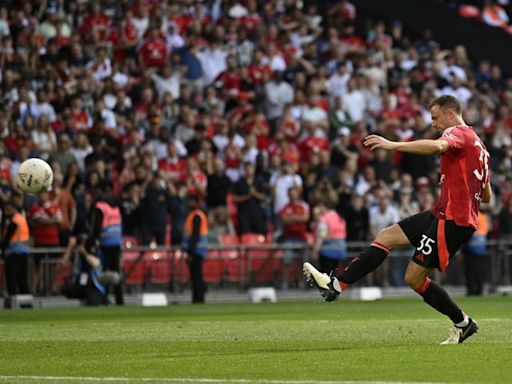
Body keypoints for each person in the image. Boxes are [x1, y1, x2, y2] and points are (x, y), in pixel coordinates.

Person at [304, 95, 492, 345]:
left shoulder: (460, 133)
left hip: (452, 220)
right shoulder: (480, 147)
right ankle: (335, 285)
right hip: (442, 211)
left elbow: (437, 147)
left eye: (435, 118)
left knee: (413, 279)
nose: (433, 124)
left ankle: (463, 323)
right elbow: (487, 195)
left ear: (450, 113)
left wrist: (392, 145)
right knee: (386, 236)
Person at [90, 184, 124, 305]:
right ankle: (120, 300)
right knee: (116, 273)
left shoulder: (101, 207)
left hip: (105, 244)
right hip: (116, 242)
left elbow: (96, 227)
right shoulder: (116, 207)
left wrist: (94, 241)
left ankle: (103, 299)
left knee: (103, 273)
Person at [60, 234, 106, 306]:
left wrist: (84, 253)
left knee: (93, 303)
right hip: (79, 284)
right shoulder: (77, 254)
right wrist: (70, 247)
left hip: (93, 285)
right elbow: (63, 263)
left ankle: (102, 300)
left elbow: (95, 263)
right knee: (64, 289)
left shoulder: (94, 251)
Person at [1, 202, 30, 308]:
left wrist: (2, 249)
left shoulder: (14, 221)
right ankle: (26, 303)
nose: (5, 212)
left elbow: (8, 238)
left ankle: (12, 302)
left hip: (13, 252)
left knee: (11, 278)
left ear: (12, 208)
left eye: (7, 209)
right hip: (23, 251)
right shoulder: (21, 219)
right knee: (22, 278)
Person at [182, 195, 208, 303]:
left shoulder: (196, 216)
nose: (189, 204)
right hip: (198, 249)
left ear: (196, 203)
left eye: (191, 202)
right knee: (196, 276)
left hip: (197, 250)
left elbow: (195, 236)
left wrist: (190, 252)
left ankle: (198, 299)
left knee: (196, 276)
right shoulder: (196, 215)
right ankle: (198, 298)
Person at [310, 201, 347, 275]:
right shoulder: (339, 216)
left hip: (327, 251)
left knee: (325, 277)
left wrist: (315, 251)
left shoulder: (324, 219)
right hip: (340, 250)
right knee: (335, 275)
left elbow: (321, 236)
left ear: (324, 207)